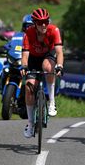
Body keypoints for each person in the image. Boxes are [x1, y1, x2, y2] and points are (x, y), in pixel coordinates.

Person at [21, 8, 64, 138]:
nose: (44, 25)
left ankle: (51, 101)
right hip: (33, 59)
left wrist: (60, 66)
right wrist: (24, 66)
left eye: (46, 21)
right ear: (34, 23)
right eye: (40, 22)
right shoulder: (28, 33)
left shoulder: (54, 30)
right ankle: (30, 123)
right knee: (29, 87)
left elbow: (59, 52)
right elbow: (25, 54)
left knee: (47, 66)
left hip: (48, 55)